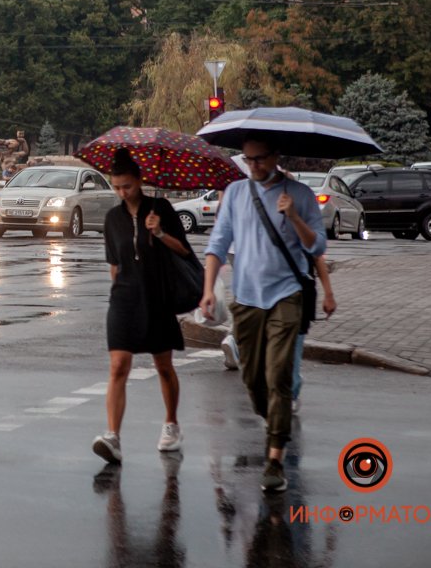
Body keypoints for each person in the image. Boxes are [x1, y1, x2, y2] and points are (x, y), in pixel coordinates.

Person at [199, 135, 326, 493]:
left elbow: (317, 245)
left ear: (275, 156)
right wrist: (207, 289)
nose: (253, 165)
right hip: (246, 299)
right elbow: (217, 244)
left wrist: (294, 217)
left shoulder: (300, 194)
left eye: (259, 159)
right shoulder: (236, 193)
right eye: (248, 159)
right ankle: (274, 419)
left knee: (279, 375)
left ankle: (274, 460)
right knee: (254, 379)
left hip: (287, 295)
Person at [93, 148, 195, 464]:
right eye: (116, 187)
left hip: (157, 297)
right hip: (124, 298)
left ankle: (171, 424)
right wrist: (118, 293)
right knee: (118, 366)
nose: (122, 193)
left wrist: (160, 232)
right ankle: (113, 436)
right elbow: (114, 264)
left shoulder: (161, 208)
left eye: (127, 186)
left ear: (139, 180)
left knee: (163, 366)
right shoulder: (113, 218)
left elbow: (184, 252)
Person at [219, 253, 337, 413]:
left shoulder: (304, 236)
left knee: (294, 345)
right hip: (269, 295)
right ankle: (280, 391)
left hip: (300, 292)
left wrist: (329, 294)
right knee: (270, 354)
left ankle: (290, 391)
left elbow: (316, 256)